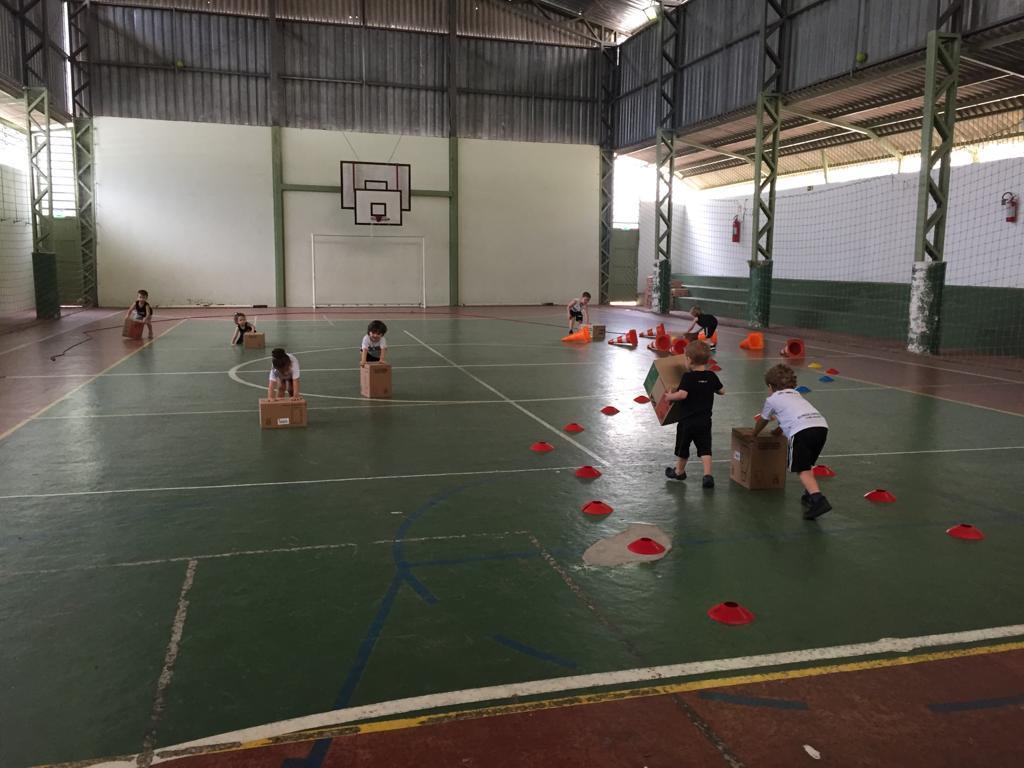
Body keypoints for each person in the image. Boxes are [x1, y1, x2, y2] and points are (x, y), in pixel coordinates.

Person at [752, 364, 831, 520]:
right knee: (808, 464)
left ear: (770, 386)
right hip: (821, 427)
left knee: (802, 469)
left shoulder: (772, 399)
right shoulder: (796, 395)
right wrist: (776, 432)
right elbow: (788, 417)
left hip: (802, 431)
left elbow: (763, 420)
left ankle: (818, 499)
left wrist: (754, 433)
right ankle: (808, 494)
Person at [663, 340, 724, 488]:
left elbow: (682, 395)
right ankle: (707, 475)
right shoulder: (711, 376)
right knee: (705, 448)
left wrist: (670, 397)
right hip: (704, 421)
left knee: (683, 447)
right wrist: (711, 388)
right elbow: (722, 391)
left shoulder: (687, 377)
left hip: (687, 421)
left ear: (689, 360)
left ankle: (679, 471)